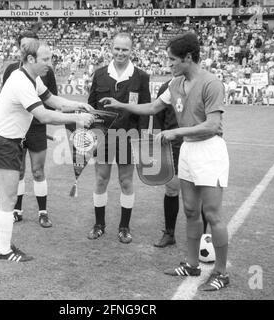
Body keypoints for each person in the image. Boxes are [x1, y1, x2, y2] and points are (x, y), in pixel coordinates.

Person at [101, 32, 230, 291]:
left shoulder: (212, 83)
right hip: (188, 152)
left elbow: (213, 125)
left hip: (209, 152)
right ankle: (192, 264)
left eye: (172, 59)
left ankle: (221, 272)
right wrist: (121, 104)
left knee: (212, 214)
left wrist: (176, 133)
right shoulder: (174, 84)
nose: (168, 63)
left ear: (189, 58)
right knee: (191, 211)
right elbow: (151, 108)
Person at [0, 39, 95, 262]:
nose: (50, 64)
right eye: (45, 59)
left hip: (4, 141)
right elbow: (44, 115)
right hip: (3, 143)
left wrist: (77, 105)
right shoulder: (21, 81)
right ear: (31, 59)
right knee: (8, 198)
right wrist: (77, 118)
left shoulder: (32, 78)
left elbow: (53, 100)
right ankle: (4, 250)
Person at [87, 32, 150, 244]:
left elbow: (144, 111)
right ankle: (99, 225)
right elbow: (92, 108)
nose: (120, 53)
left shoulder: (141, 77)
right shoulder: (100, 74)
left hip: (127, 137)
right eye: (117, 48)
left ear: (132, 51)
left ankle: (124, 227)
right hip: (103, 136)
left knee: (125, 182)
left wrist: (140, 141)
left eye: (125, 49)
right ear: (110, 48)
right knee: (101, 179)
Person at [2, 31, 58, 228]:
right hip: (17, 129)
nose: (26, 49)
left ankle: (43, 212)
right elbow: (7, 100)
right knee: (18, 170)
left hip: (36, 126)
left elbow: (51, 101)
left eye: (30, 45)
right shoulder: (11, 70)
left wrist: (45, 118)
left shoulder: (45, 71)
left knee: (37, 171)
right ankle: (17, 210)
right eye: (23, 46)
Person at [153, 81, 208, 248]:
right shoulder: (166, 88)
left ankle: (203, 239)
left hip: (197, 145)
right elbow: (158, 116)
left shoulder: (203, 84)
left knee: (200, 193)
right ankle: (169, 233)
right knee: (171, 190)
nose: (173, 65)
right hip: (173, 147)